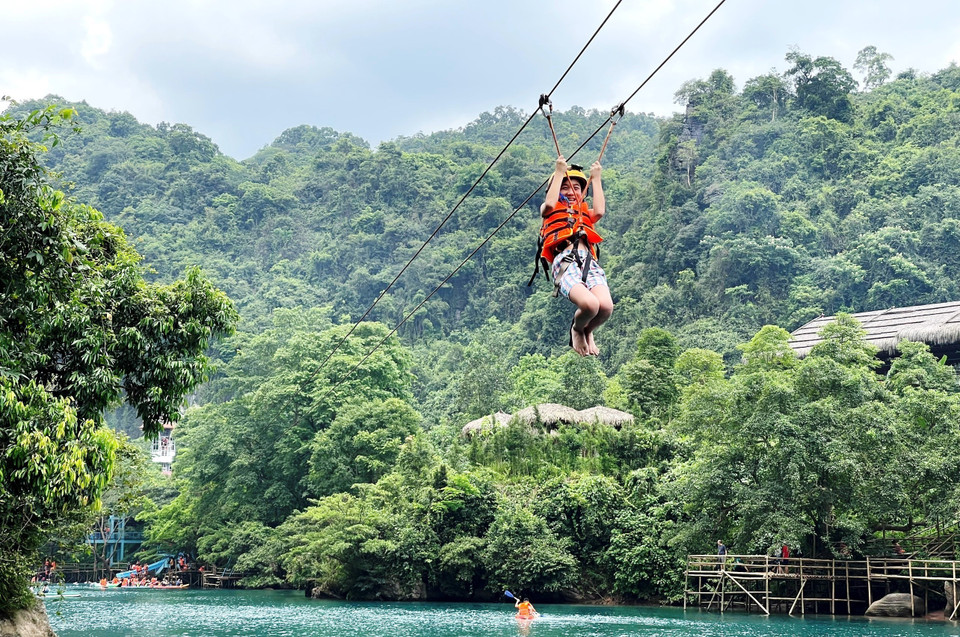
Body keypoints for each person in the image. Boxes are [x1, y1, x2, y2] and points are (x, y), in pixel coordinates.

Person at [539, 155, 614, 357]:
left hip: (588, 262)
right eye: (565, 187)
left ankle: (587, 331)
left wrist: (596, 178)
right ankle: (577, 329)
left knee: (605, 307)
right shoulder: (550, 209)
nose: (571, 191)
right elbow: (548, 203)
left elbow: (599, 211)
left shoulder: (583, 213)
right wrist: (558, 173)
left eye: (576, 187)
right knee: (590, 305)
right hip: (565, 261)